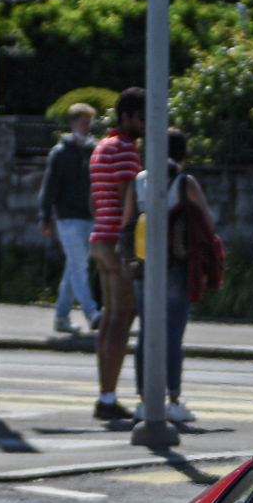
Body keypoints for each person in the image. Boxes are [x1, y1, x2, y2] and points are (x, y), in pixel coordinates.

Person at [118, 128, 219, 424]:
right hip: (177, 263)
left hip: (143, 264)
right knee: (172, 335)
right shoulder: (183, 181)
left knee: (147, 334)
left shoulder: (139, 180)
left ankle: (145, 401)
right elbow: (208, 222)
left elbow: (127, 222)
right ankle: (173, 399)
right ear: (182, 154)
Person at [86, 88, 146, 421]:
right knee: (123, 318)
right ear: (126, 117)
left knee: (110, 318)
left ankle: (105, 393)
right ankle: (107, 398)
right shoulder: (125, 150)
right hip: (118, 240)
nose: (143, 124)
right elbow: (130, 199)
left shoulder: (100, 148)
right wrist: (133, 243)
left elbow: (95, 201)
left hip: (99, 237)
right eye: (140, 118)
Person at [38, 102, 98, 335]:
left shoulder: (93, 151)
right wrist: (44, 216)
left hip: (88, 216)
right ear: (73, 123)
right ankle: (92, 312)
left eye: (89, 122)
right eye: (83, 122)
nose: (86, 126)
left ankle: (61, 317)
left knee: (74, 267)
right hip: (67, 218)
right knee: (80, 266)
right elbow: (50, 186)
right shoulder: (61, 153)